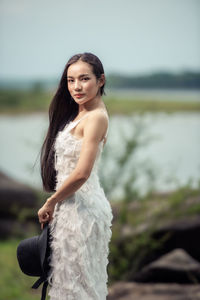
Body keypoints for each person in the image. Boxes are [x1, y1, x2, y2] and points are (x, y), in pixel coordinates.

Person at [38, 52, 113, 300]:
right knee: (67, 282)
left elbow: (82, 173)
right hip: (70, 207)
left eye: (84, 79)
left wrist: (51, 201)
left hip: (83, 212)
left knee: (79, 287)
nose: (76, 87)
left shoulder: (96, 117)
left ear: (100, 80)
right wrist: (58, 203)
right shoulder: (80, 113)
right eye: (70, 80)